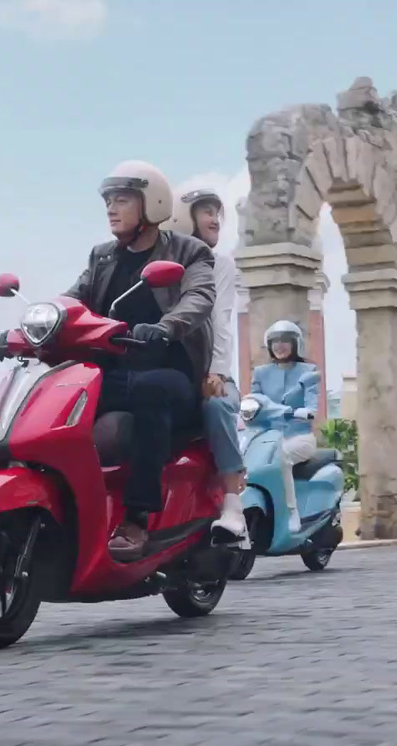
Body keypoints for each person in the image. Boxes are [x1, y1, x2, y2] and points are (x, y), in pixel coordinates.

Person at [56, 160, 217, 562]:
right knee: (60, 396)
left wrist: (165, 326)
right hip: (114, 373)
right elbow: (71, 300)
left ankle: (137, 517)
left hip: (170, 375)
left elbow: (199, 298)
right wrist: (34, 325)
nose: (111, 208)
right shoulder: (103, 258)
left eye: (122, 199)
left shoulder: (188, 252)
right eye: (108, 200)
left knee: (152, 391)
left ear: (152, 203)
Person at [166, 187, 247, 544]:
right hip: (173, 373)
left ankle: (233, 505)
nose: (215, 219)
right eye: (206, 212)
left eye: (217, 212)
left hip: (213, 374)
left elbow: (222, 322)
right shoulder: (165, 262)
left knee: (215, 406)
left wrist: (216, 373)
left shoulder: (221, 266)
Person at [250, 321, 319, 534]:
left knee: (282, 457)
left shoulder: (308, 372)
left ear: (295, 344)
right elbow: (254, 403)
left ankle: (291, 512)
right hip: (266, 437)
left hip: (299, 437)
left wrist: (298, 413)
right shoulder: (260, 373)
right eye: (275, 342)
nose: (280, 346)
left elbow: (311, 408)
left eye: (286, 341)